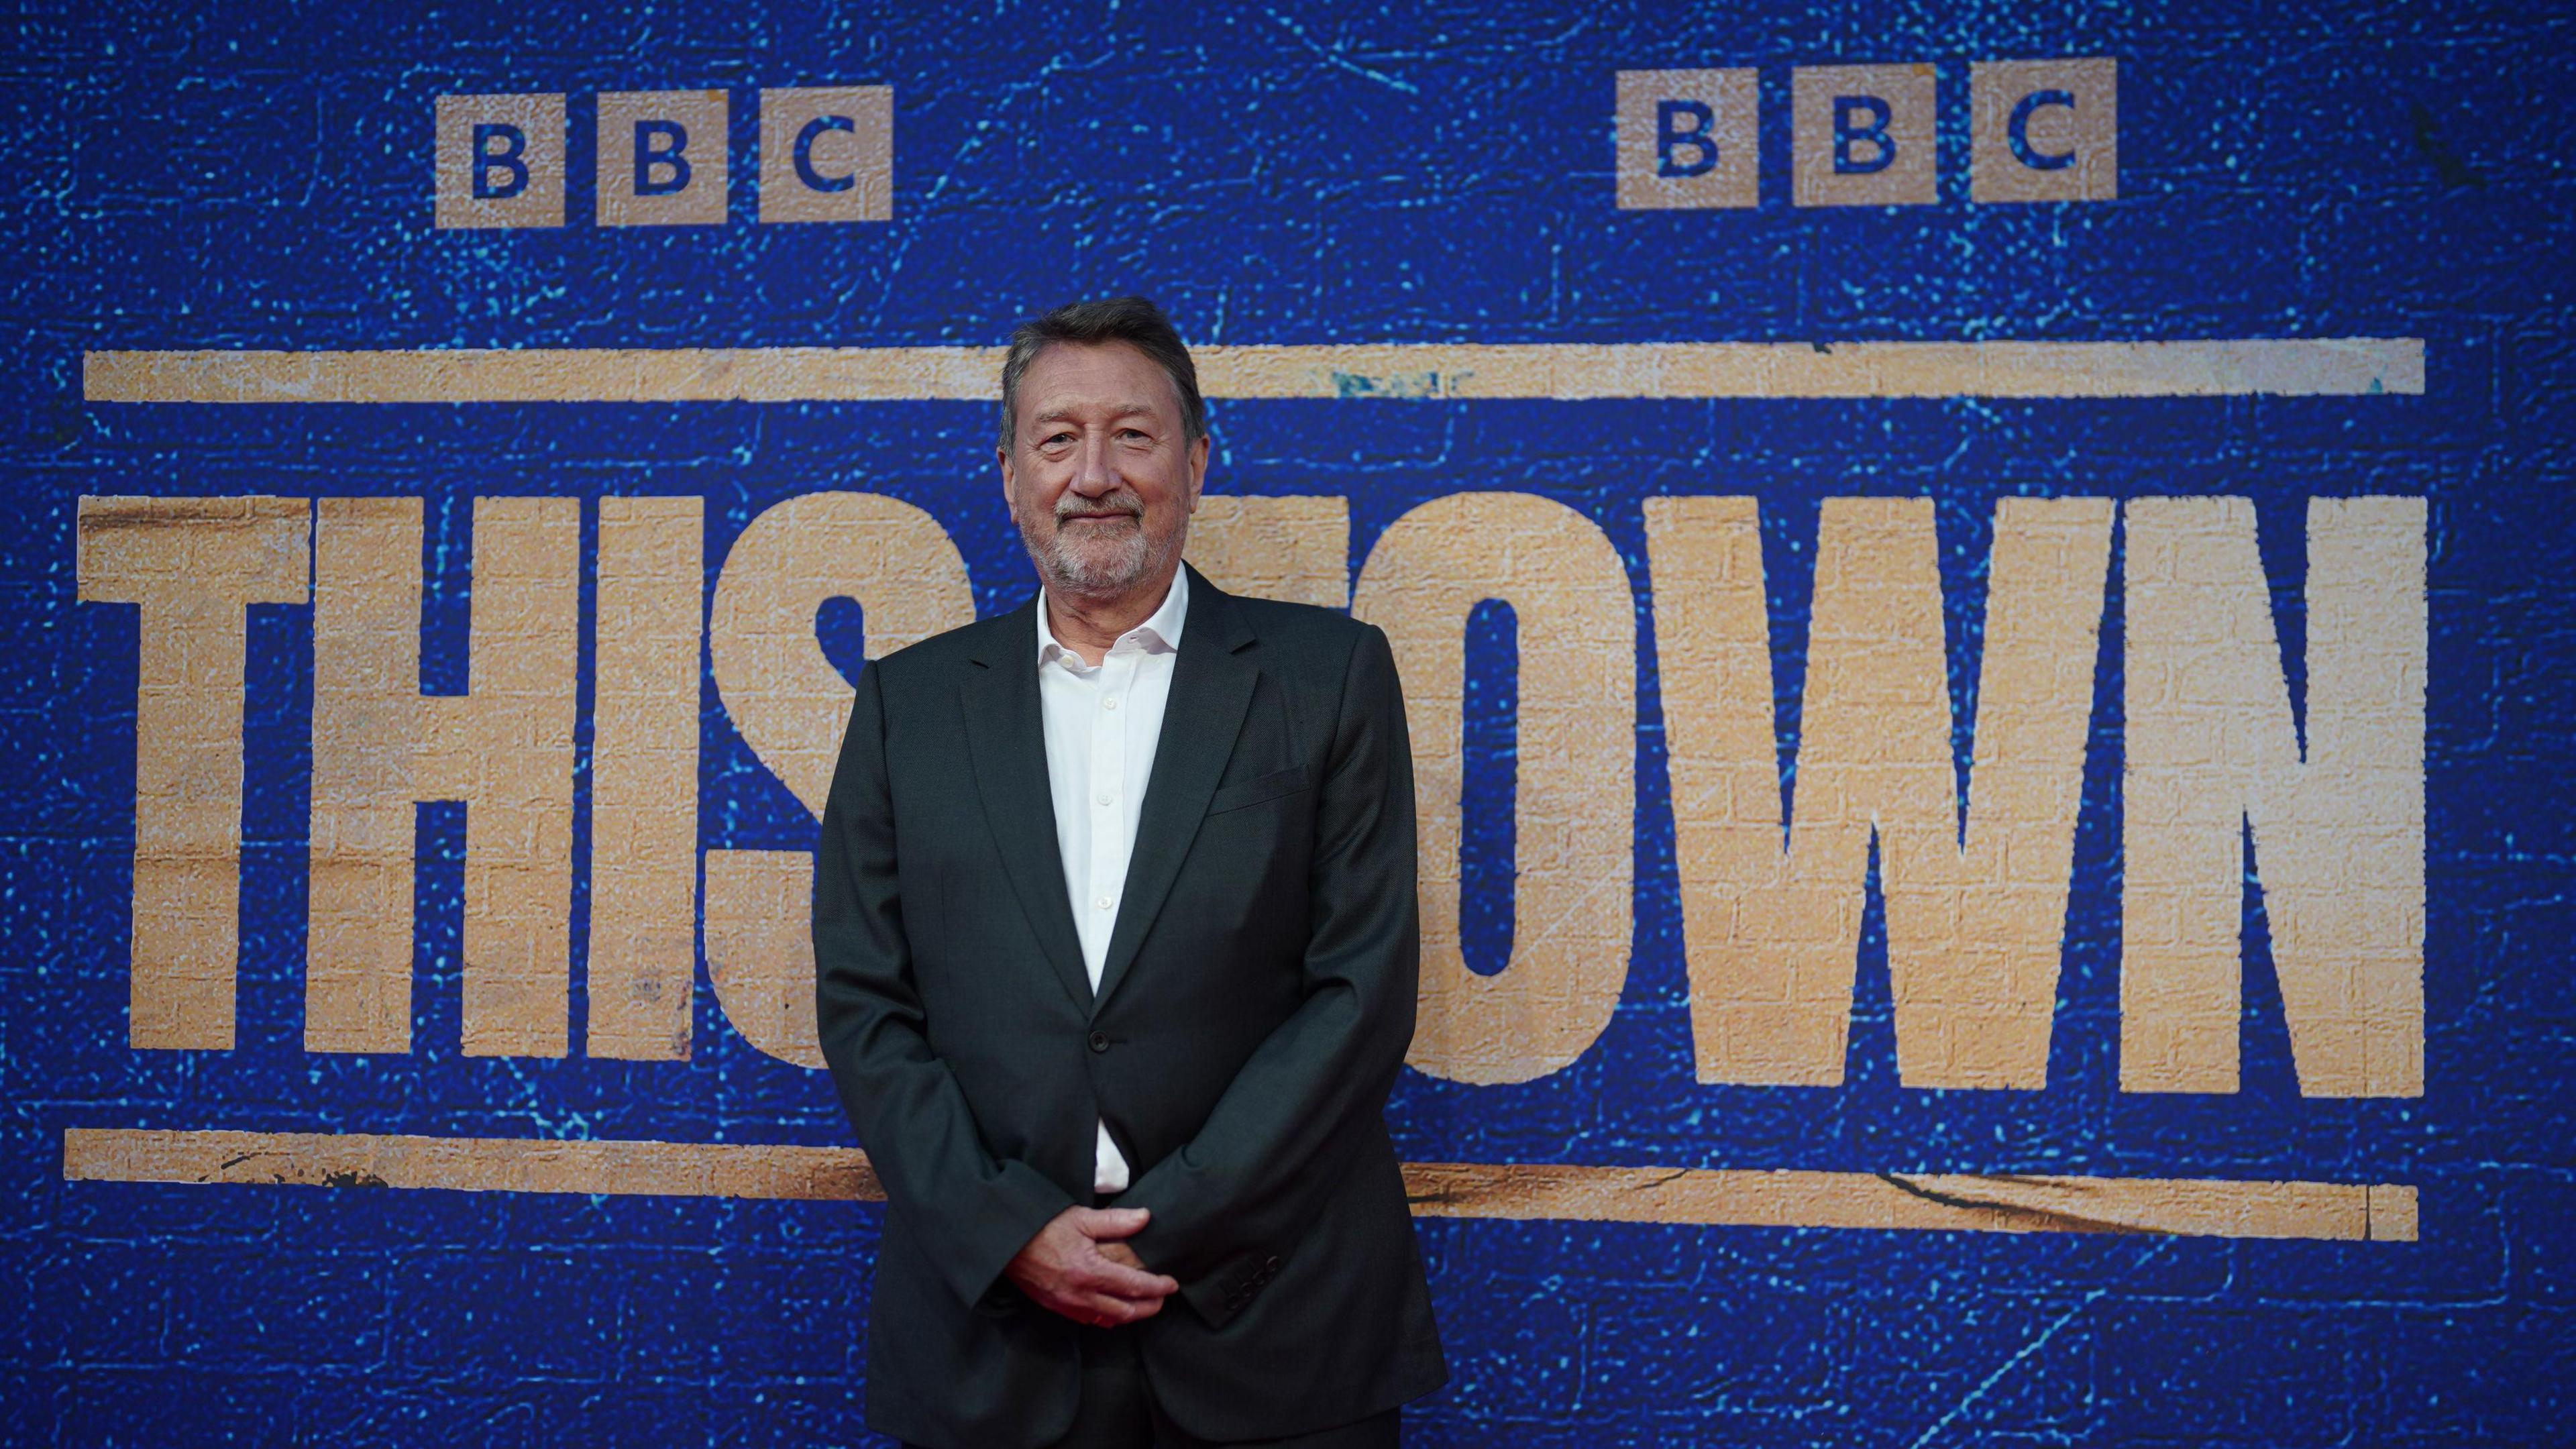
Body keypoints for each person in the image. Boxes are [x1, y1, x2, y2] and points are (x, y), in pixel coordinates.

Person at [813, 296, 1446, 1448]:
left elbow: (1360, 994)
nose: (1093, 474)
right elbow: (866, 1008)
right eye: (1058, 439)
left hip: (1278, 1319)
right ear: (1009, 472)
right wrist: (1011, 1230)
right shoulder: (907, 707)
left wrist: (1163, 1227)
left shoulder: (1330, 677)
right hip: (994, 1347)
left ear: (1198, 461)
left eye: (1134, 436)